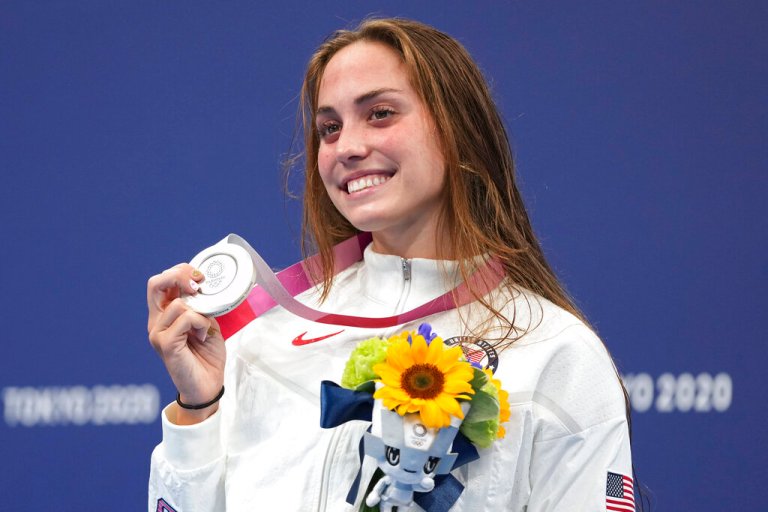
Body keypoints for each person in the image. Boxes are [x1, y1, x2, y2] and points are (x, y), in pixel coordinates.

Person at [147, 18, 635, 511]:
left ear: (457, 129)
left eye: (380, 114)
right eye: (329, 128)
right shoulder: (259, 340)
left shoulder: (555, 352)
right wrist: (199, 408)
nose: (348, 148)